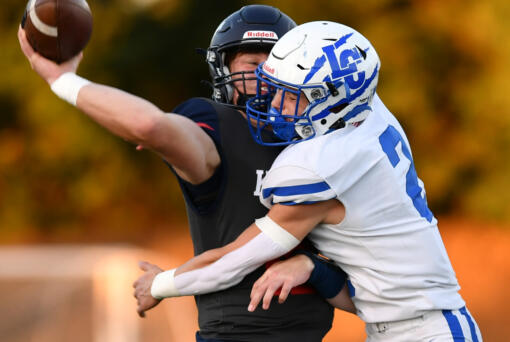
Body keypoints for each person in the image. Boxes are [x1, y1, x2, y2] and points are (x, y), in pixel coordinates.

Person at [133, 21, 483, 342]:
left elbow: (230, 264)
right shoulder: (367, 109)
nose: (276, 107)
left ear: (329, 100)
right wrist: (312, 266)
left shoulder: (321, 165)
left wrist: (159, 285)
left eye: (292, 96)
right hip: (408, 327)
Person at [18, 5, 349, 342]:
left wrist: (312, 267)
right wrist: (63, 80)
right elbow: (149, 125)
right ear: (223, 68)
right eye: (252, 63)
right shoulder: (218, 128)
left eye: (276, 63)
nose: (265, 73)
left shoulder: (322, 139)